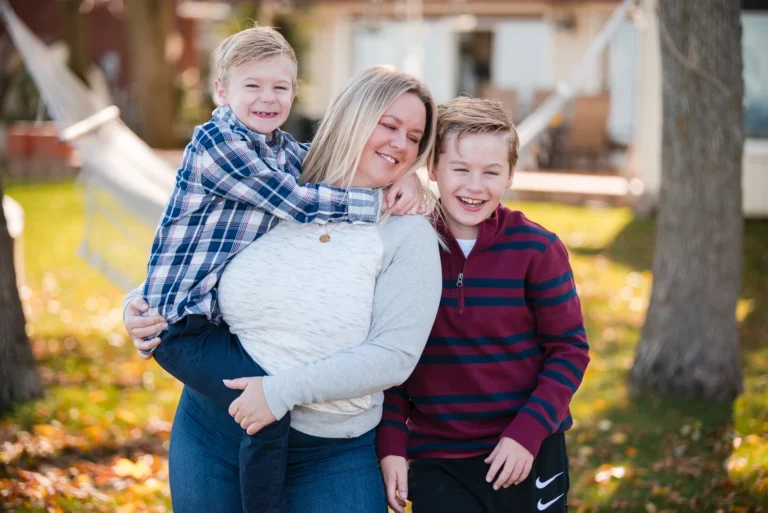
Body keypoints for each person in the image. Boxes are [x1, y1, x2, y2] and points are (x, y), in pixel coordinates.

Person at [125, 27, 423, 513]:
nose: (268, 98)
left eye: (280, 88)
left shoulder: (280, 150)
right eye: (252, 86)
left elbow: (327, 165)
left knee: (267, 411)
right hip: (184, 330)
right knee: (269, 415)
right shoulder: (220, 145)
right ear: (221, 91)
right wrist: (374, 203)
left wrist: (404, 172)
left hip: (331, 438)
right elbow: (296, 201)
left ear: (295, 93)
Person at [377, 97, 591, 513]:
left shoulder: (537, 249)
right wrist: (391, 446)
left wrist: (528, 433)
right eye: (460, 169)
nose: (475, 187)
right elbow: (390, 358)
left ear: (510, 174)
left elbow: (569, 350)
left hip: (526, 450)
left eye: (491, 172)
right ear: (433, 170)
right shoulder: (406, 245)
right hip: (438, 459)